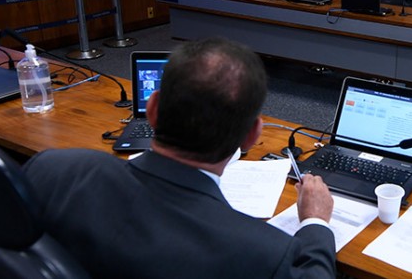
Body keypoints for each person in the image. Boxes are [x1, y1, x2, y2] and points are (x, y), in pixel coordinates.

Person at [23, 37, 336, 278]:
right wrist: (315, 221)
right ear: (252, 135)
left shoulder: (51, 169)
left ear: (153, 109)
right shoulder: (265, 253)